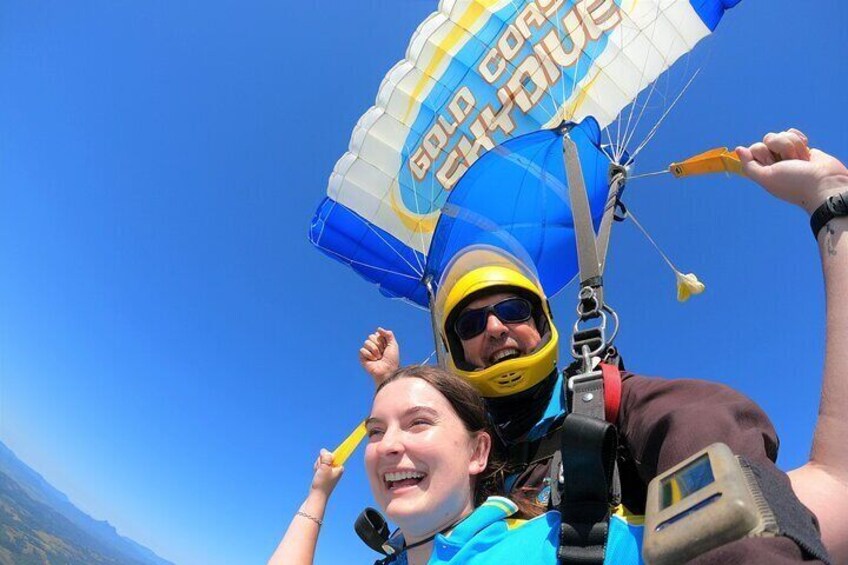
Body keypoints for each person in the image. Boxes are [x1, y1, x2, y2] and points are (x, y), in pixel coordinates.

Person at [360, 129, 848, 563]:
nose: (493, 329)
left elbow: (824, 481)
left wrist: (831, 205)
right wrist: (397, 389)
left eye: (512, 311)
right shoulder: (455, 450)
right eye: (469, 323)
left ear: (543, 321)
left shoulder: (610, 401)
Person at [269, 365, 643, 565]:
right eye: (376, 431)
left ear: (478, 453)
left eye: (419, 423)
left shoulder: (571, 545)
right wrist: (318, 494)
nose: (388, 446)